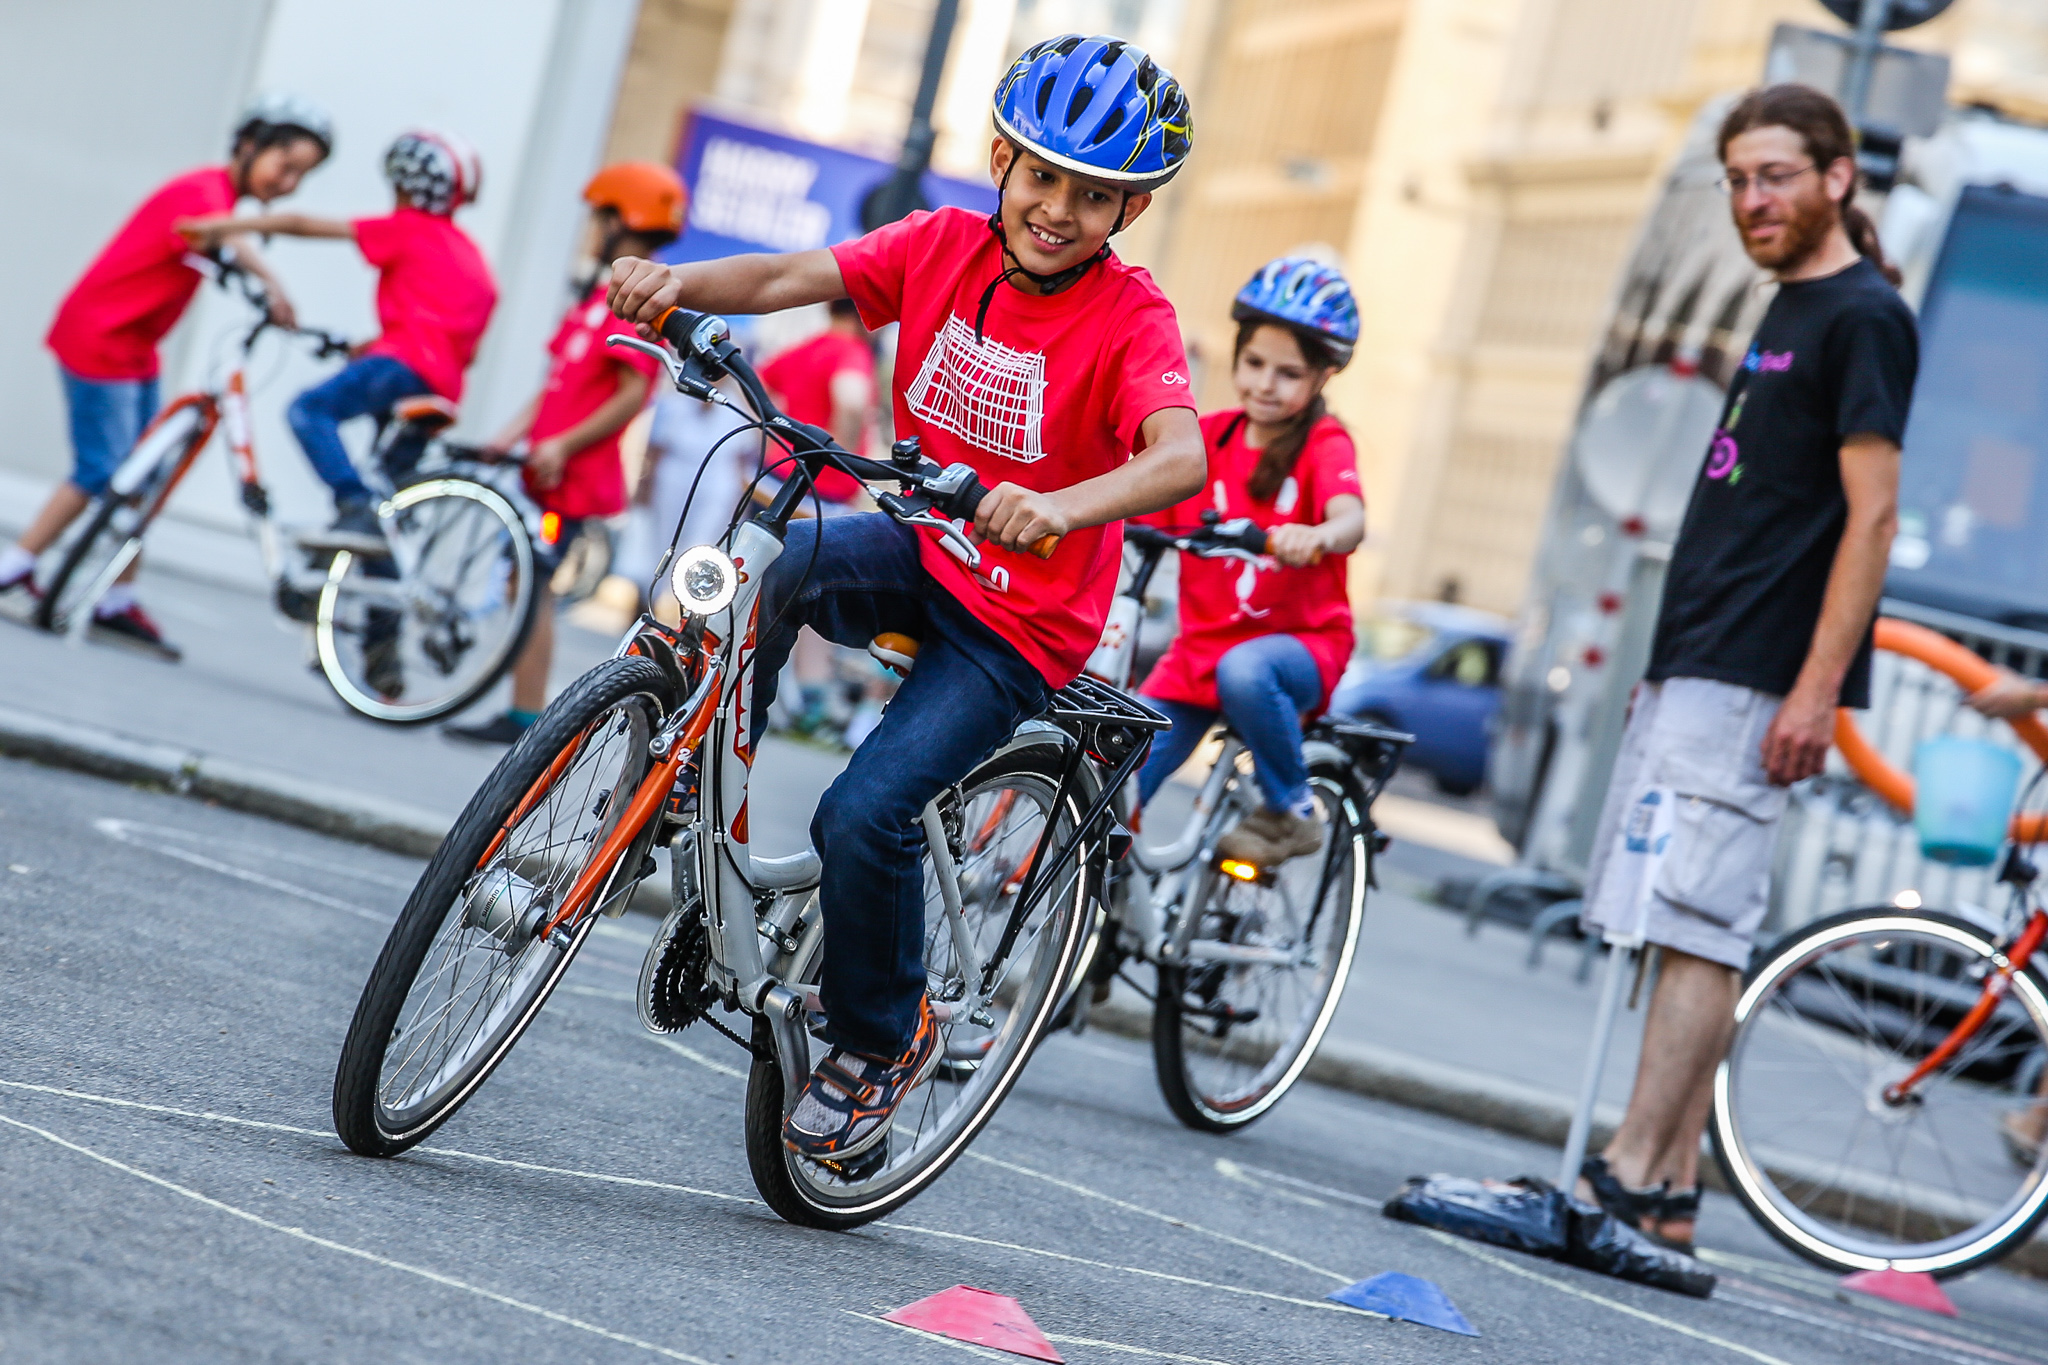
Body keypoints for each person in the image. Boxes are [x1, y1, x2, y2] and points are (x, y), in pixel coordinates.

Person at [608, 32, 1203, 1163]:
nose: (1059, 210)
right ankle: (683, 776)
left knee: (862, 816)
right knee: (759, 566)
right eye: (1041, 177)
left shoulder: (1131, 319)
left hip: (1016, 622)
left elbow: (1177, 456)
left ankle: (881, 1037)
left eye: (1094, 196)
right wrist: (673, 284)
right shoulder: (936, 244)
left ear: (1128, 212)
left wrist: (1062, 506)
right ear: (998, 160)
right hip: (918, 545)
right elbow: (791, 278)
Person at [1574, 83, 1918, 1253]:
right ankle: (1664, 1190)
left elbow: (1869, 520)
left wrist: (1816, 691)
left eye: (1772, 173)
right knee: (1668, 920)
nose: (1749, 197)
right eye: (1734, 178)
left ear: (1836, 177)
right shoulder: (1788, 305)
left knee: (1695, 925)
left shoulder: (1860, 316)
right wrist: (1663, 665)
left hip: (1758, 673)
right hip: (1702, 663)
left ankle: (1626, 1171)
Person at [0, 94, 333, 656]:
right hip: (100, 340)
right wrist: (273, 282)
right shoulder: (203, 192)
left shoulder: (220, 199)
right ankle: (19, 569)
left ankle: (109, 598)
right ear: (250, 146)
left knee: (140, 481)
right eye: (286, 167)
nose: (290, 184)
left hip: (134, 351)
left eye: (302, 176)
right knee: (105, 473)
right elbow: (207, 230)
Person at [1132, 257, 1366, 864]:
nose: (1265, 383)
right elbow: (1134, 509)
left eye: (1289, 373)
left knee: (1246, 670)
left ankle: (1291, 811)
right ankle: (1092, 914)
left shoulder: (1323, 443)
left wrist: (1316, 534)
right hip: (1198, 654)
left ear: (1321, 378)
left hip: (1299, 646)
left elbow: (1351, 519)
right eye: (1255, 363)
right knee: (1120, 772)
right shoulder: (1205, 439)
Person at [445, 162, 684, 744]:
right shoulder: (597, 300)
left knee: (533, 588)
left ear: (620, 218)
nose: (592, 228)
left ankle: (528, 717)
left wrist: (562, 444)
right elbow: (555, 384)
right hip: (544, 471)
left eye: (600, 217)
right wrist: (509, 437)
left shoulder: (634, 304)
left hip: (571, 479)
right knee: (521, 585)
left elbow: (635, 394)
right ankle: (522, 710)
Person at [179, 130, 496, 552]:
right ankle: (379, 603)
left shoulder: (410, 228)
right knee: (390, 499)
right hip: (441, 384)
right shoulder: (468, 253)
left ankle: (353, 502)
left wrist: (221, 225)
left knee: (309, 411)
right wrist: (368, 348)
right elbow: (451, 331)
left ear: (405, 186)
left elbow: (301, 224)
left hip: (403, 364)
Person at [759, 298, 880, 737]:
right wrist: (841, 455)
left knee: (760, 593)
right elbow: (849, 401)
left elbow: (761, 391)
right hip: (822, 490)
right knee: (814, 597)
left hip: (777, 481)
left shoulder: (804, 347)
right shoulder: (851, 352)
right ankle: (809, 703)